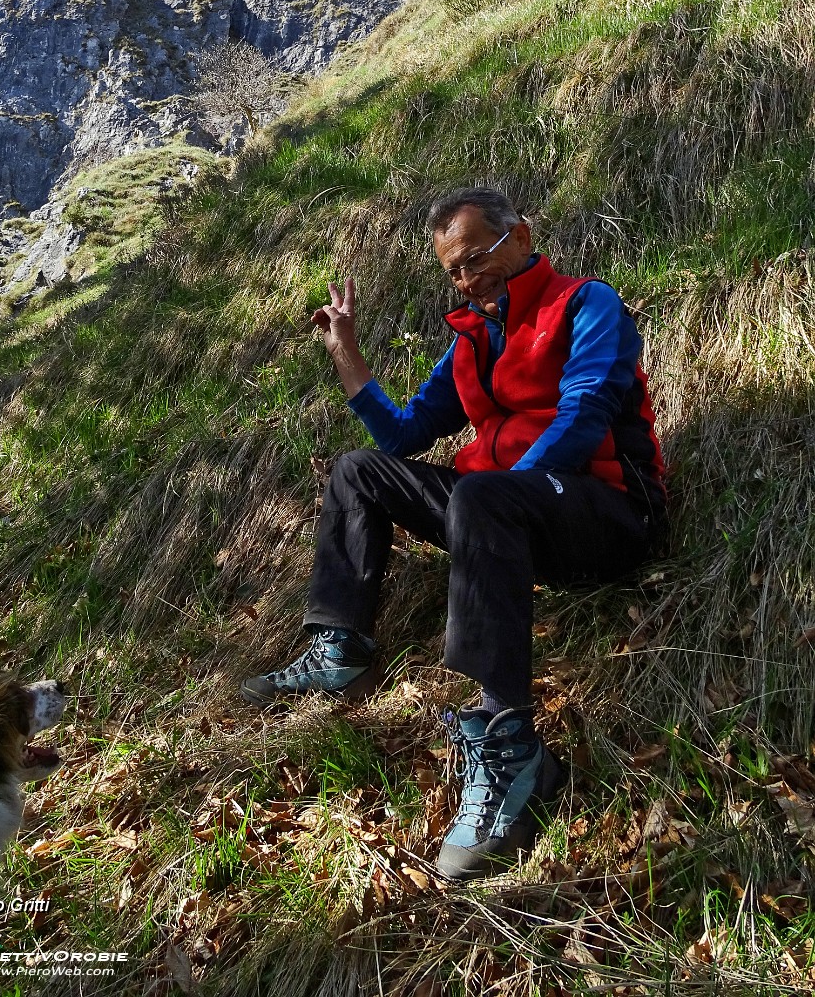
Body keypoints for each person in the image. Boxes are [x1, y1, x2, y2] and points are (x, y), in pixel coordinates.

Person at [241, 187, 667, 880]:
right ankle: (339, 650)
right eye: (454, 272)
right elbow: (406, 433)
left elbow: (586, 413)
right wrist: (344, 351)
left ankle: (511, 744)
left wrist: (505, 493)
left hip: (605, 513)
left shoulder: (587, 303)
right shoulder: (470, 338)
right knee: (358, 471)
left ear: (521, 236)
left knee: (481, 493)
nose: (468, 281)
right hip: (502, 513)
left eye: (477, 259)